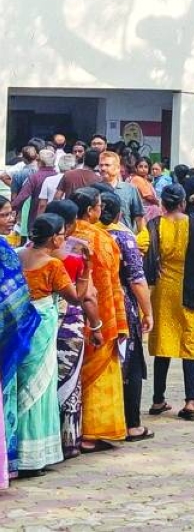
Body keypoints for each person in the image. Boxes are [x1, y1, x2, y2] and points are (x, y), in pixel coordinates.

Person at [14, 214, 97, 476]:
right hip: (42, 324)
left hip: (21, 323)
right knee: (39, 388)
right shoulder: (52, 265)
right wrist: (86, 271)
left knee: (22, 386)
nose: (64, 238)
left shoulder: (19, 255)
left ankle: (19, 454)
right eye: (61, 234)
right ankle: (33, 456)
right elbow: (75, 298)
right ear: (53, 238)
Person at [142, 183, 194, 421]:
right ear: (184, 203)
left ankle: (158, 399)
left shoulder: (154, 226)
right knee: (189, 345)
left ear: (162, 204)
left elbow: (138, 247)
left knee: (163, 345)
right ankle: (190, 402)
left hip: (162, 292)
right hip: (191, 290)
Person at [69, 187, 129, 453]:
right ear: (92, 210)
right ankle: (93, 432)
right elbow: (110, 283)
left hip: (66, 313)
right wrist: (112, 319)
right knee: (99, 374)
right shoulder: (102, 240)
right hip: (97, 313)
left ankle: (69, 433)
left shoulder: (64, 235)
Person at [98, 193, 154, 443]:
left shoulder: (83, 234)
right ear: (120, 214)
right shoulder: (123, 237)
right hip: (120, 306)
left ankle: (99, 423)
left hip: (91, 306)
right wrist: (148, 312)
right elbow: (136, 278)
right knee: (129, 362)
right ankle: (131, 424)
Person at [0, 196, 40, 484]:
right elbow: (16, 303)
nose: (10, 219)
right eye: (3, 215)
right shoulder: (5, 251)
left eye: (10, 213)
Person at [97, 150, 145, 234]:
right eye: (101, 165)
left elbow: (139, 217)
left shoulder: (129, 189)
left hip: (125, 239)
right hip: (101, 239)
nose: (103, 168)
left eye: (107, 165)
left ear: (118, 168)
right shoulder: (94, 189)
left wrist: (142, 239)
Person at [12, 147, 56, 235]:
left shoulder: (35, 177)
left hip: (36, 217)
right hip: (55, 219)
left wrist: (12, 209)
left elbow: (22, 197)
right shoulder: (58, 176)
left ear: (40, 162)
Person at [129, 157, 160, 222]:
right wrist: (158, 203)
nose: (143, 169)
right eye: (140, 167)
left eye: (146, 167)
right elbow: (148, 196)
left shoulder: (145, 180)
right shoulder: (137, 179)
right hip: (144, 213)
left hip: (149, 213)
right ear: (136, 168)